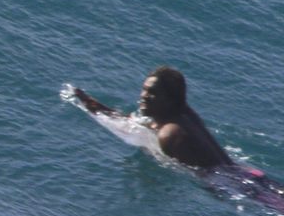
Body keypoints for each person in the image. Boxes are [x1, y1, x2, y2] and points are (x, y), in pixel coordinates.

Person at [68, 66, 233, 171]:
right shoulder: (184, 114)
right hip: (244, 172)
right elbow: (136, 122)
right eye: (144, 90)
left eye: (152, 93)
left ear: (169, 100)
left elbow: (197, 174)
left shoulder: (170, 134)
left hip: (230, 185)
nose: (143, 97)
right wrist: (98, 108)